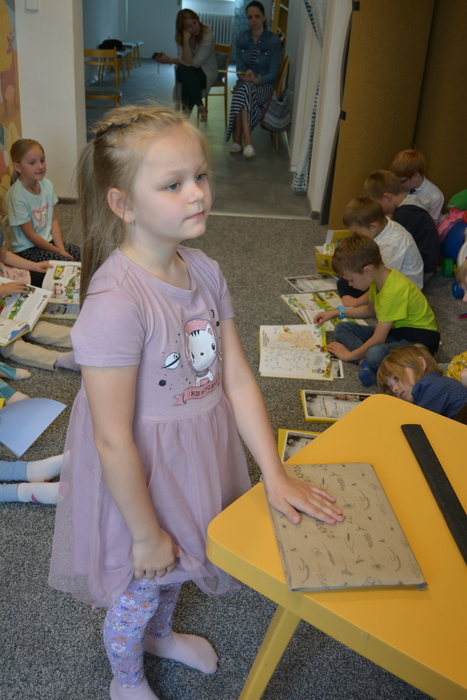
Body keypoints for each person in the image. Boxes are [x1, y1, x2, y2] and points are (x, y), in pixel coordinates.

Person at [48, 104, 344, 700]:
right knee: (143, 578)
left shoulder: (205, 271)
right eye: (173, 184)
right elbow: (111, 437)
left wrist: (275, 474)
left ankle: (161, 636)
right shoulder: (116, 304)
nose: (198, 193)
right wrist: (142, 532)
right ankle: (125, 679)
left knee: (181, 559)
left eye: (201, 176)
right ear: (123, 204)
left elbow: (236, 379)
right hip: (141, 471)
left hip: (198, 451)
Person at [313, 233, 440, 387]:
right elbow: (370, 310)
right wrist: (337, 312)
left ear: (368, 271)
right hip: (395, 332)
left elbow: (378, 339)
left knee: (375, 353)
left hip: (417, 342)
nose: (350, 284)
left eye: (351, 280)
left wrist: (349, 355)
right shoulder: (378, 280)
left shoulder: (393, 291)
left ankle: (369, 362)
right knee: (342, 328)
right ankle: (366, 363)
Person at [0, 222, 79, 372]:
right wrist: (3, 290)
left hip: (5, 304)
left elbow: (4, 255)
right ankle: (60, 360)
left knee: (32, 325)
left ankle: (82, 337)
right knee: (11, 346)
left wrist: (34, 266)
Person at [337, 196, 424, 306]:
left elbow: (383, 281)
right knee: (344, 282)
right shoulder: (382, 227)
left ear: (373, 226)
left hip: (402, 290)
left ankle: (361, 303)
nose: (355, 236)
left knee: (355, 282)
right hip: (382, 276)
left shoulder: (392, 244)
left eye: (357, 233)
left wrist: (356, 302)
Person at [5, 139, 80, 263]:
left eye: (42, 160)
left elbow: (53, 220)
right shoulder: (16, 197)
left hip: (47, 242)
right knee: (68, 264)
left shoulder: (47, 185)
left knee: (82, 255)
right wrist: (58, 252)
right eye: (32, 163)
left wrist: (61, 249)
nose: (40, 166)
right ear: (18, 167)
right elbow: (31, 236)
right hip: (28, 250)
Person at [226, 1, 281, 158]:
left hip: (264, 86)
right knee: (244, 89)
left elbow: (273, 74)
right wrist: (245, 74)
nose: (253, 20)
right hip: (246, 84)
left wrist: (258, 80)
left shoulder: (273, 41)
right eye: (250, 17)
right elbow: (239, 69)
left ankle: (239, 138)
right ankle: (247, 142)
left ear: (264, 17)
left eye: (257, 16)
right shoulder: (241, 38)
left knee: (242, 91)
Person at [363, 169, 439, 281]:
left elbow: (394, 245)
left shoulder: (405, 215)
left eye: (378, 205)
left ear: (387, 197)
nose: (378, 210)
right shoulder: (409, 207)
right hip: (425, 262)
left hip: (422, 269)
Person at [153, 9, 218, 121]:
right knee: (184, 72)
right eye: (189, 26)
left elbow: (194, 63)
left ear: (198, 20)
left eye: (195, 22)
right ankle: (199, 106)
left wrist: (170, 60)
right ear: (183, 29)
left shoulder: (207, 35)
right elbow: (187, 63)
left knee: (186, 77)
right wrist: (186, 41)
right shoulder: (181, 37)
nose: (194, 28)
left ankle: (183, 119)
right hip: (190, 71)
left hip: (206, 71)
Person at [377, 345, 467, 421]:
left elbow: (420, 423)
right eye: (390, 387)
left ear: (420, 364)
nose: (394, 389)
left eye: (396, 378)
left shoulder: (431, 386)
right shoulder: (433, 386)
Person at [387, 149, 444, 223]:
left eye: (400, 181)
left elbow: (430, 224)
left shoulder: (435, 197)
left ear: (416, 176)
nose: (397, 185)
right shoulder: (403, 186)